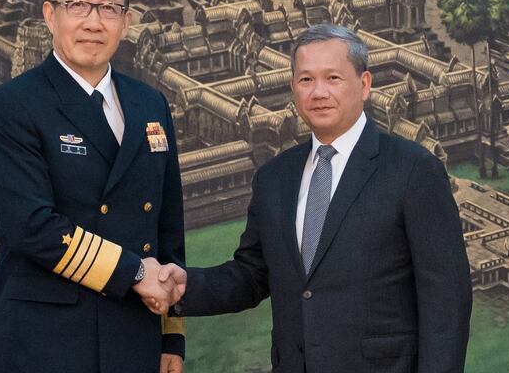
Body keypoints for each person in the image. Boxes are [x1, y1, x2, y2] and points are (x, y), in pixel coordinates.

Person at [159, 24, 472, 372]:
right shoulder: (273, 177)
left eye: (333, 78)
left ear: (364, 84)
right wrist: (182, 288)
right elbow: (252, 275)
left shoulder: (414, 170)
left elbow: (447, 301)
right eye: (306, 80)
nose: (318, 92)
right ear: (293, 88)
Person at [0, 0, 185, 373]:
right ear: (50, 15)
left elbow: (166, 225)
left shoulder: (151, 104)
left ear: (126, 22)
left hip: (135, 333)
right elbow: (31, 226)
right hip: (47, 341)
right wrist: (133, 273)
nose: (94, 22)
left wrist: (171, 335)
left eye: (109, 7)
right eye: (77, 5)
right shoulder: (10, 107)